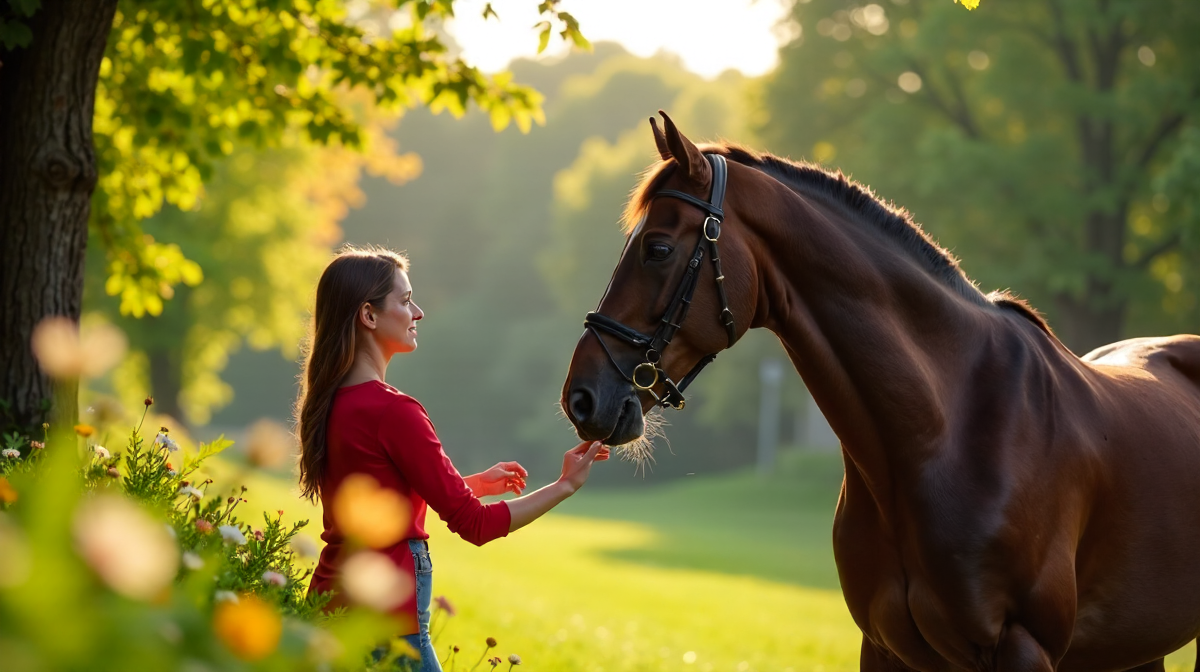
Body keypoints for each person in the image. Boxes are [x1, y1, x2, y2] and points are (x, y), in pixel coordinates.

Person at [295, 245, 607, 671]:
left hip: (329, 609)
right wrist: (565, 485)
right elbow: (475, 525)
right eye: (405, 301)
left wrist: (471, 484)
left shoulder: (329, 405)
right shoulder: (395, 411)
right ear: (368, 316)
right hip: (387, 622)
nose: (418, 312)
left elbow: (382, 493)